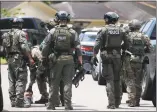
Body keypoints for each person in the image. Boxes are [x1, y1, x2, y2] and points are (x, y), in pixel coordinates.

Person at [42, 11, 82, 110]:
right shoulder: (72, 32)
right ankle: (68, 105)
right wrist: (80, 61)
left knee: (54, 82)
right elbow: (78, 48)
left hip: (56, 59)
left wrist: (44, 58)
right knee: (67, 82)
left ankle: (51, 105)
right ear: (67, 19)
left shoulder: (53, 31)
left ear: (58, 19)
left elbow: (46, 46)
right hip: (69, 59)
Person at [92, 12, 129, 109]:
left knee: (109, 80)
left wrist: (94, 55)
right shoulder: (121, 30)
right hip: (117, 56)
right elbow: (127, 42)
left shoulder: (103, 30)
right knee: (117, 79)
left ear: (107, 19)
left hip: (106, 56)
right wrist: (123, 50)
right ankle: (117, 102)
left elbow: (97, 45)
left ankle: (111, 103)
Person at [2, 17, 34, 108]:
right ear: (20, 24)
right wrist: (30, 58)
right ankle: (20, 101)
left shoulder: (6, 34)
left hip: (10, 59)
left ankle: (13, 100)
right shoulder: (21, 33)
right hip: (18, 59)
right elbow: (24, 47)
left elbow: (4, 48)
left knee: (12, 80)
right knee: (21, 79)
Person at [124, 19, 151, 106]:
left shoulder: (128, 36)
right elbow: (149, 48)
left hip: (130, 60)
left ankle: (132, 100)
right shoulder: (144, 36)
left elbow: (123, 46)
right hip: (140, 60)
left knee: (130, 80)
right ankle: (137, 100)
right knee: (138, 80)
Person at [25, 40, 49, 105]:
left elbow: (42, 60)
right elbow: (32, 70)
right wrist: (30, 84)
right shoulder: (33, 51)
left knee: (41, 79)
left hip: (45, 65)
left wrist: (40, 72)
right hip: (43, 65)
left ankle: (48, 97)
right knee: (41, 80)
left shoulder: (34, 51)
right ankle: (45, 96)